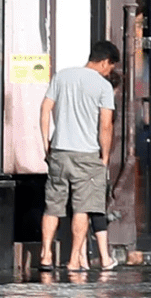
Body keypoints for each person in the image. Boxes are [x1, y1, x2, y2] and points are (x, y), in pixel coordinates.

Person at [38, 40, 119, 273]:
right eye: (110, 67)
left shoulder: (62, 76)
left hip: (59, 152)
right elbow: (106, 126)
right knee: (82, 208)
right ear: (105, 62)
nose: (109, 71)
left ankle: (46, 255)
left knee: (52, 206)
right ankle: (74, 260)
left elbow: (45, 108)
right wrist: (104, 157)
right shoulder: (103, 87)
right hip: (87, 155)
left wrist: (46, 144)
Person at [78, 68, 124, 271]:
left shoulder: (84, 101)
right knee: (96, 207)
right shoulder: (105, 103)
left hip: (77, 155)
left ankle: (80, 257)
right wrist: (104, 159)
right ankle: (104, 257)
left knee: (79, 207)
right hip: (95, 157)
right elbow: (105, 128)